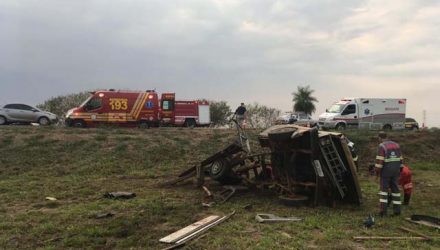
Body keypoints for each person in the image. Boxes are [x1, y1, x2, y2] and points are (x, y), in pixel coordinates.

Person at [374, 131, 403, 216]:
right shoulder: (396, 145)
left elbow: (380, 161)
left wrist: (376, 172)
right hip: (396, 170)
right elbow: (400, 158)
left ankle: (383, 211)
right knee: (396, 190)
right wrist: (400, 169)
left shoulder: (382, 146)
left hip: (386, 171)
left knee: (384, 191)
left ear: (379, 138)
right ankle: (397, 211)